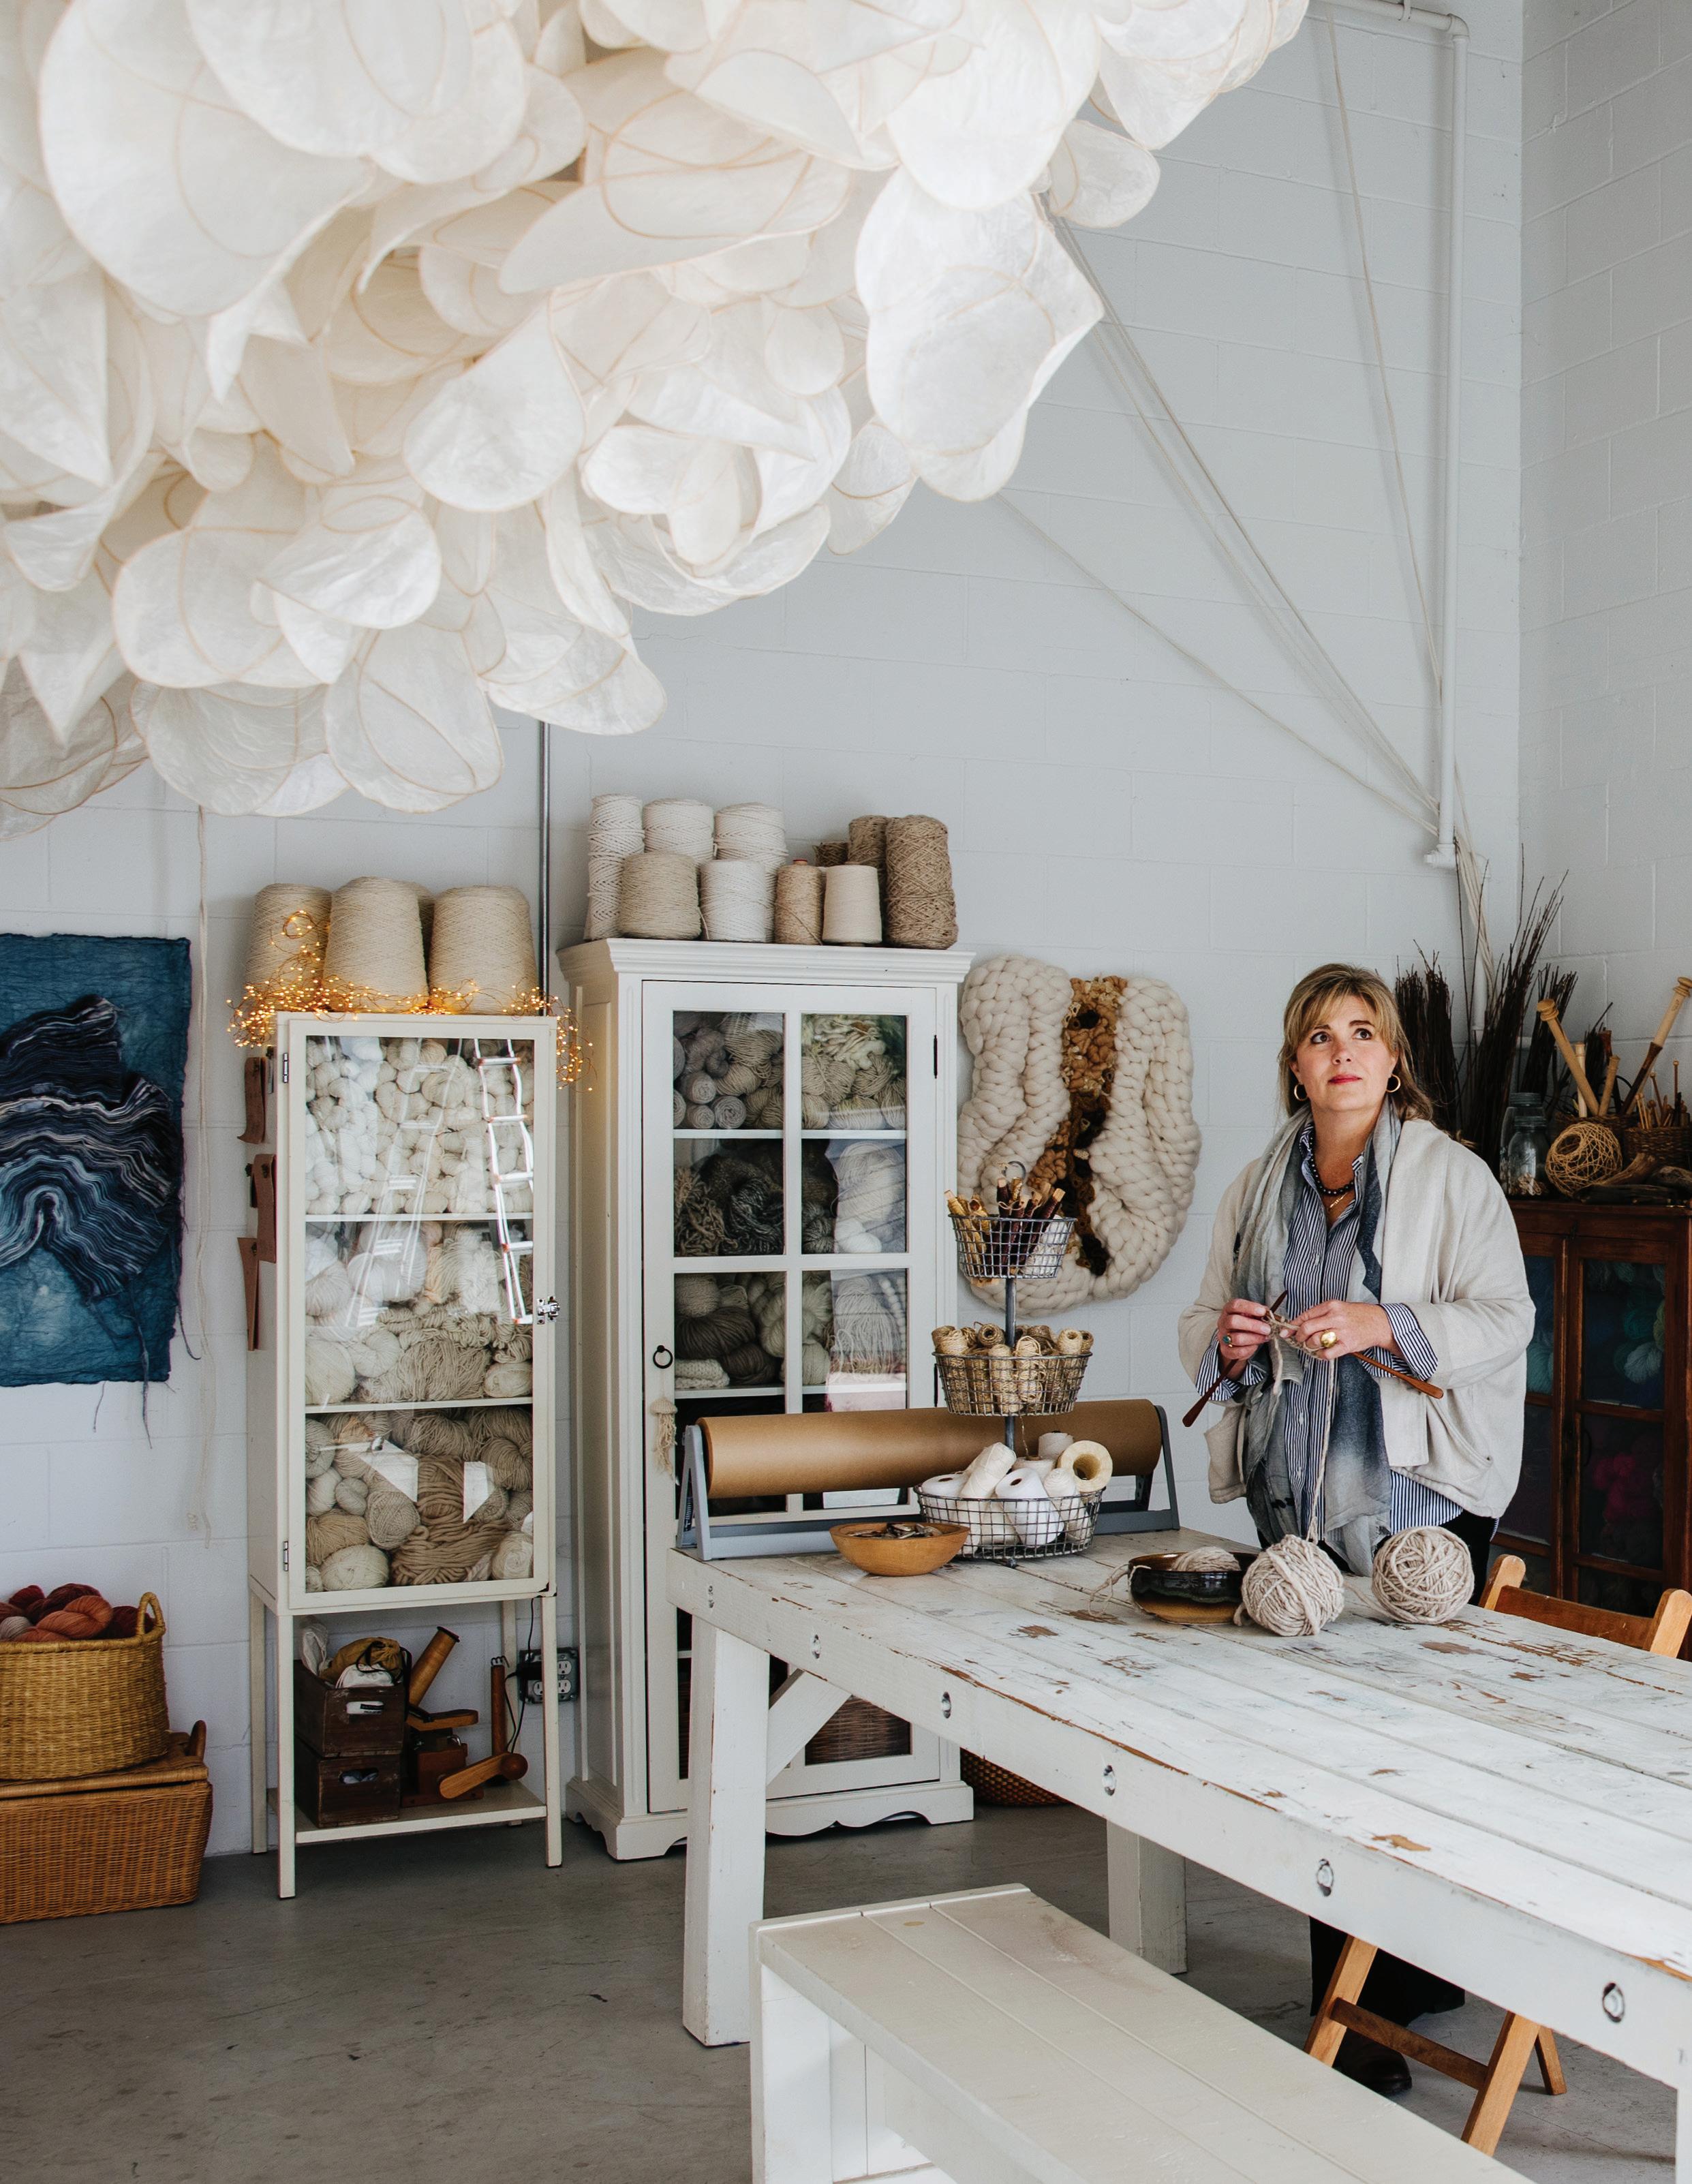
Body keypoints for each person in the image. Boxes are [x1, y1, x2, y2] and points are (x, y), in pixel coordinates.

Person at [1178, 962, 1534, 2098]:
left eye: (1364, 1032)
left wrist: (1390, 1321)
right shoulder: (1258, 1185)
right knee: (1322, 1762)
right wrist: (1228, 1341)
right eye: (1321, 1035)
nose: (1343, 1052)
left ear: (1393, 1060)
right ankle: (1375, 1995)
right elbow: (1204, 1316)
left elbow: (1509, 1317)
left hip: (1418, 1509)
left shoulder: (1450, 1176)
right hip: (1296, 1503)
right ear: (1295, 1062)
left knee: (1408, 1762)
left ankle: (1376, 2016)